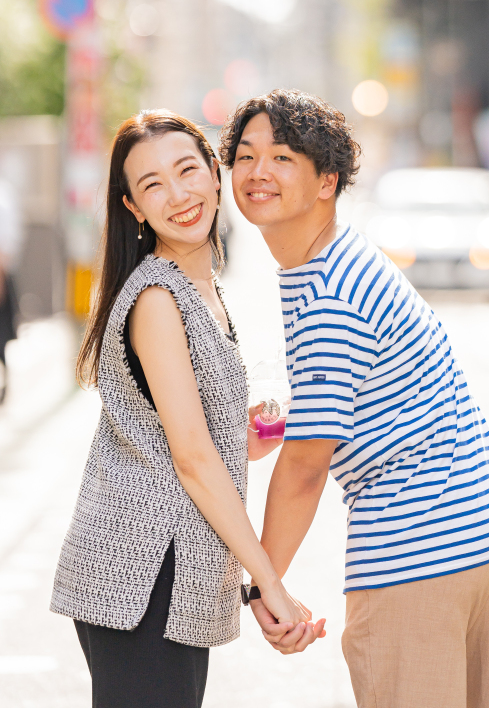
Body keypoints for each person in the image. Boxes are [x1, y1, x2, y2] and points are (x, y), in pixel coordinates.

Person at [219, 89, 489, 708]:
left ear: (326, 181)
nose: (259, 172)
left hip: (420, 563)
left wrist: (263, 588)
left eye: (282, 158)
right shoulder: (348, 261)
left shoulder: (329, 293)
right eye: (246, 155)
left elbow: (307, 467)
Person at [51, 111, 324, 708]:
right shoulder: (156, 297)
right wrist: (268, 584)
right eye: (152, 185)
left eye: (186, 171)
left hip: (164, 578)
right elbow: (194, 459)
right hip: (139, 577)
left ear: (214, 175)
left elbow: (184, 433)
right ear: (133, 208)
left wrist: (252, 430)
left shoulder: (203, 289)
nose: (178, 195)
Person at [0, 176, 22, 404]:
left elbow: (7, 244)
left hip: (2, 275)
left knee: (2, 336)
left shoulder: (3, 195)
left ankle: (5, 382)